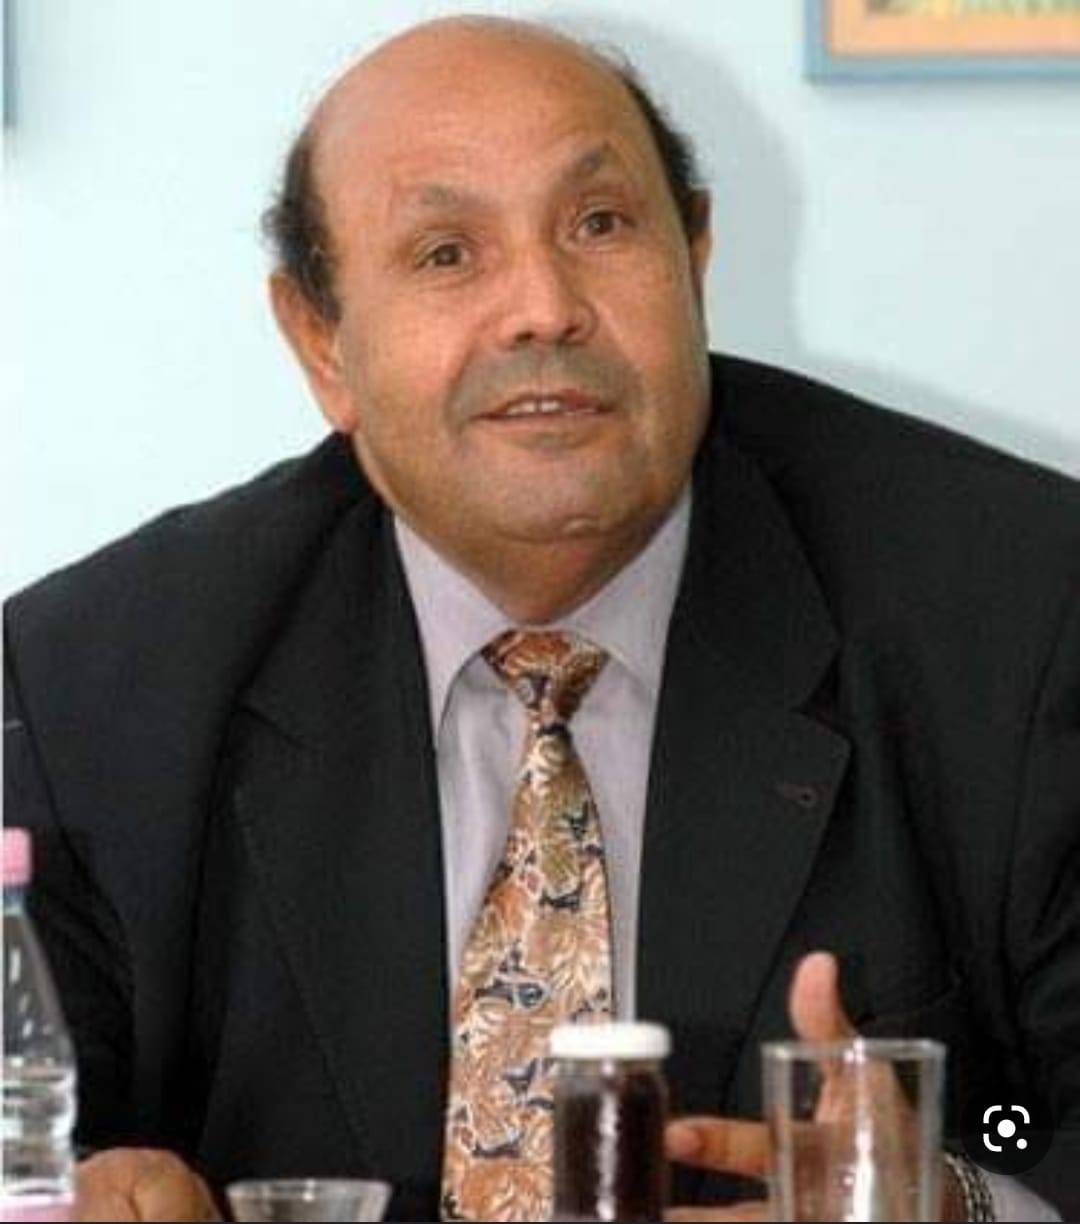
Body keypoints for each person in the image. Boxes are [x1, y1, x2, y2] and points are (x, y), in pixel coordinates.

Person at [4, 15, 1078, 1222]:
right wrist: (73, 1194)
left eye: (600, 224)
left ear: (695, 259)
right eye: (447, 253)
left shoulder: (1023, 616)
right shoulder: (96, 688)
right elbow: (31, 1133)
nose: (543, 308)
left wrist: (959, 1201)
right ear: (321, 342)